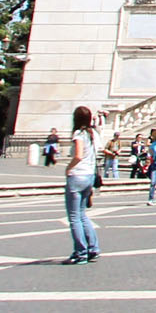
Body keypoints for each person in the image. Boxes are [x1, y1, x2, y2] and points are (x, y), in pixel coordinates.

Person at [63, 105, 101, 264]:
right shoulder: (94, 134)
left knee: (74, 217)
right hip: (89, 176)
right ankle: (93, 248)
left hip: (77, 176)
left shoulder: (79, 134)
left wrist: (68, 167)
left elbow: (78, 155)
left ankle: (81, 252)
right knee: (82, 214)